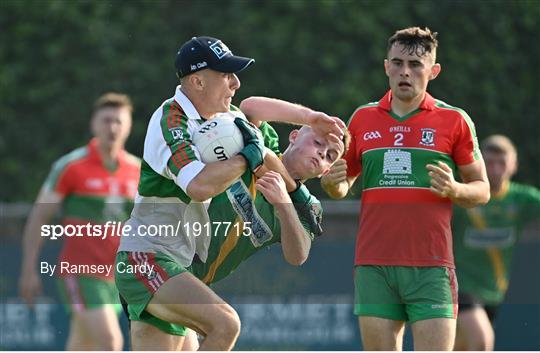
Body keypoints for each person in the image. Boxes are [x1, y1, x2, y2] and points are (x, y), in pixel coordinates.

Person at [114, 36, 345, 351]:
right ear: (197, 81)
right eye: (226, 75)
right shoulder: (175, 120)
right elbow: (201, 186)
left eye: (331, 155)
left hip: (183, 273)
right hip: (148, 257)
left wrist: (288, 196)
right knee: (226, 324)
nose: (236, 83)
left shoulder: (222, 122)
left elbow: (298, 253)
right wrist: (254, 153)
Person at [321, 27, 490, 350]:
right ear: (386, 66)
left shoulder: (454, 120)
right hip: (374, 265)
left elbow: (481, 189)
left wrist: (455, 189)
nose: (404, 72)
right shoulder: (362, 118)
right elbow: (343, 186)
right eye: (397, 63)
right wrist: (332, 183)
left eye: (415, 65)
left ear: (433, 71)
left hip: (432, 265)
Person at [18, 92, 140, 350]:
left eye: (119, 121)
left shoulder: (137, 170)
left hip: (117, 277)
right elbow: (39, 217)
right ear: (94, 125)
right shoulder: (72, 166)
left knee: (82, 346)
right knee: (110, 342)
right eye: (106, 120)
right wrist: (28, 270)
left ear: (129, 125)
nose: (113, 127)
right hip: (81, 273)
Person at [452, 135, 540, 350]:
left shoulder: (522, 199)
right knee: (482, 341)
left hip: (493, 290)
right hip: (457, 285)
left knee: (459, 347)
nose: (495, 168)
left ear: (514, 165)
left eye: (502, 162)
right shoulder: (463, 194)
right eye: (490, 162)